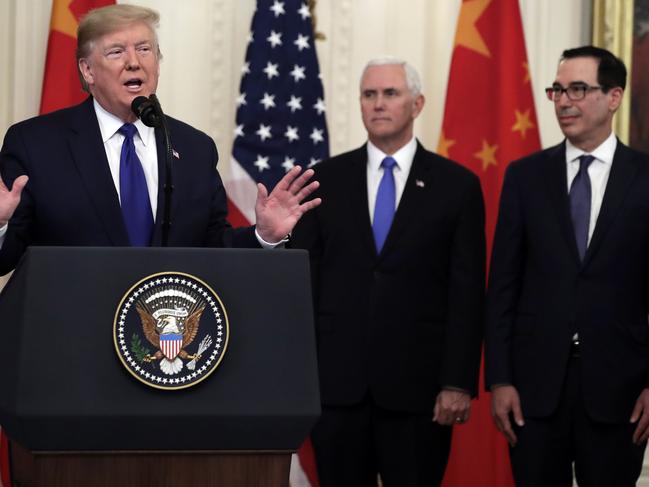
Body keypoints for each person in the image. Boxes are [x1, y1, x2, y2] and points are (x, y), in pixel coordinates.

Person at [0, 4, 319, 275]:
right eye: (116, 52)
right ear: (87, 70)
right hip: (71, 337)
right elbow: (8, 256)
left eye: (144, 49)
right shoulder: (36, 144)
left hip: (168, 338)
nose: (134, 62)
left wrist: (263, 235)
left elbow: (214, 250)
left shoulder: (195, 148)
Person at [292, 58, 485, 487]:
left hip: (419, 392)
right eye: (369, 94)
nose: (378, 104)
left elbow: (467, 294)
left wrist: (457, 382)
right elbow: (304, 286)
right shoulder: (323, 181)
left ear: (417, 103)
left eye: (390, 94)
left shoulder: (458, 186)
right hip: (337, 391)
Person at [486, 45, 649, 486]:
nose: (563, 100)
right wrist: (499, 379)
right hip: (533, 394)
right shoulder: (525, 177)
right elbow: (503, 284)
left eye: (578, 89)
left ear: (613, 97)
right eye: (557, 90)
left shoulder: (644, 177)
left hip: (621, 391)